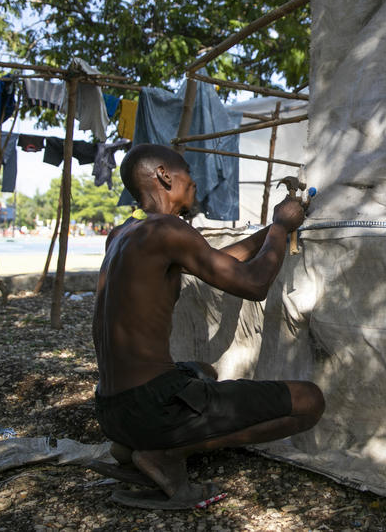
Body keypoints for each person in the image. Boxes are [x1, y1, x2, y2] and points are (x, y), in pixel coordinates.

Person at [92, 143, 325, 509]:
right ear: (165, 176)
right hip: (151, 406)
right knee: (309, 401)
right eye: (186, 171)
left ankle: (135, 443)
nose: (194, 180)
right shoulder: (169, 230)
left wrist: (274, 229)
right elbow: (253, 285)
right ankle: (164, 453)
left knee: (202, 371)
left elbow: (223, 261)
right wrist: (281, 228)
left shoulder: (124, 234)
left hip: (109, 408)